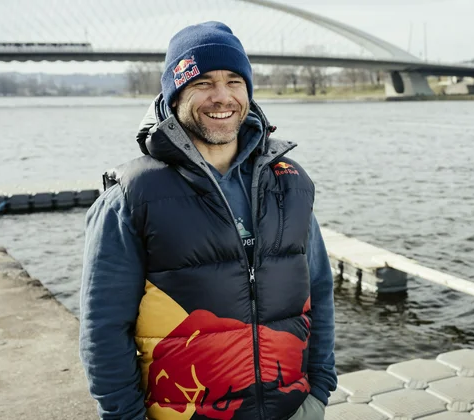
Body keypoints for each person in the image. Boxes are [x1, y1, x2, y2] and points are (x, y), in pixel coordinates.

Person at [79, 21, 337, 420]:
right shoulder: (132, 198)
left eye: (235, 81)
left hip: (293, 409)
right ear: (175, 95)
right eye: (203, 83)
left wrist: (318, 390)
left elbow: (319, 292)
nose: (222, 96)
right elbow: (103, 330)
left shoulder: (290, 184)